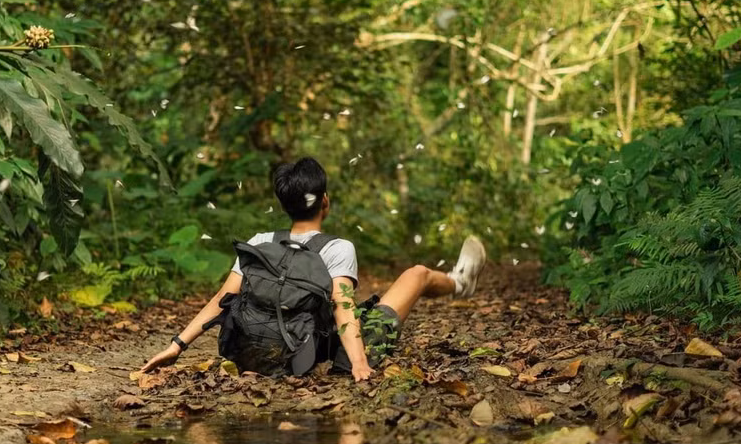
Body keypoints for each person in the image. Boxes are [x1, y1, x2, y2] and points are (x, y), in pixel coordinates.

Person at [139, 157, 486, 381]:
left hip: (255, 356)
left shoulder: (259, 240)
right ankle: (460, 283)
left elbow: (222, 297)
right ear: (325, 202)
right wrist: (359, 363)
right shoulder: (337, 248)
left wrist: (176, 345)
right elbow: (343, 306)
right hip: (317, 358)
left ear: (284, 205)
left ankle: (459, 282)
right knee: (417, 274)